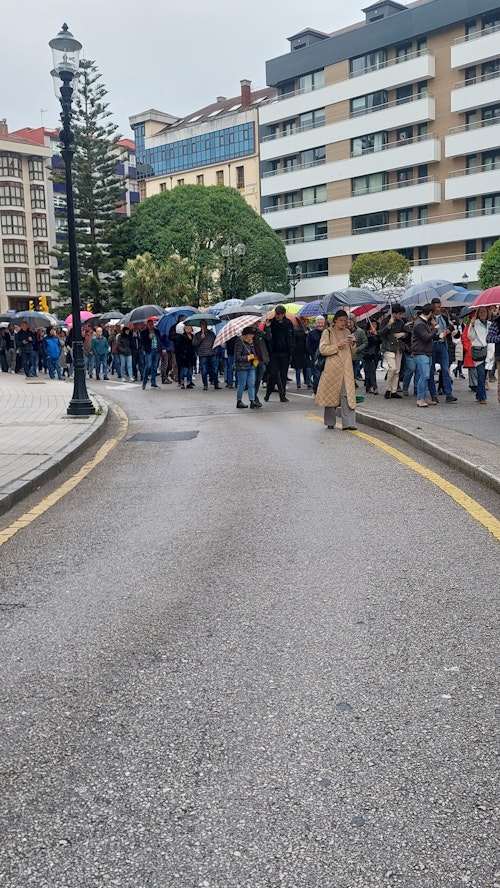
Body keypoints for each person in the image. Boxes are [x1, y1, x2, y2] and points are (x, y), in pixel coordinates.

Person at [315, 309, 357, 429]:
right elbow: (323, 350)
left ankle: (349, 423)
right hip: (332, 367)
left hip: (346, 368)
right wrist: (337, 345)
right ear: (335, 320)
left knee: (347, 394)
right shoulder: (327, 332)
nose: (343, 323)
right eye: (341, 320)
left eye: (345, 320)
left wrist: (353, 344)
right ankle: (329, 422)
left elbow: (353, 352)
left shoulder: (348, 331)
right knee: (331, 394)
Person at [411, 304, 440, 407]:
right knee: (425, 375)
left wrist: (438, 335)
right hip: (420, 352)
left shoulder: (424, 323)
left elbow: (430, 337)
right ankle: (420, 398)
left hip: (426, 351)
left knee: (426, 375)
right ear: (430, 313)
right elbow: (426, 337)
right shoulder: (419, 323)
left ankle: (423, 396)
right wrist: (435, 329)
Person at [428, 298, 457, 403]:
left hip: (443, 345)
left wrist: (449, 332)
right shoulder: (428, 319)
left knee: (445, 370)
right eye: (435, 307)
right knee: (431, 371)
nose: (437, 309)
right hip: (432, 345)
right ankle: (433, 394)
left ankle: (449, 394)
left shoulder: (444, 318)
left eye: (439, 307)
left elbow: (451, 330)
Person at [264, 305, 294, 402]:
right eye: (277, 315)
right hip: (274, 352)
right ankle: (268, 393)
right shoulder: (272, 323)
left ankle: (282, 395)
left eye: (279, 315)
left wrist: (291, 352)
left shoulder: (288, 324)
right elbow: (268, 338)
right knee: (272, 374)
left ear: (283, 314)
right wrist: (267, 327)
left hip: (285, 353)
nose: (277, 317)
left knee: (283, 375)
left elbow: (291, 338)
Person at [380, 305, 406, 399]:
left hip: (398, 347)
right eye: (399, 314)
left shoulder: (401, 322)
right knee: (392, 368)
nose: (400, 316)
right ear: (394, 313)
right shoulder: (385, 320)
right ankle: (388, 389)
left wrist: (402, 334)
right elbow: (381, 334)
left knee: (397, 370)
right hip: (388, 347)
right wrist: (388, 325)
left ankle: (394, 390)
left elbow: (406, 332)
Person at [468, 306, 491, 404]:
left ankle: (478, 393)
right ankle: (483, 397)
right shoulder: (475, 323)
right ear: (478, 313)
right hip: (478, 351)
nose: (483, 314)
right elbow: (471, 337)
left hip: (488, 351)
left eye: (484, 312)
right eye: (481, 312)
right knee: (481, 375)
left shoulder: (490, 324)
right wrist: (472, 325)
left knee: (484, 374)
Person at [234, 327, 260, 409]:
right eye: (251, 334)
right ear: (246, 334)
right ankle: (239, 401)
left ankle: (252, 400)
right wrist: (248, 357)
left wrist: (255, 356)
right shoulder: (239, 342)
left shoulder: (250, 342)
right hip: (242, 367)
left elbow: (254, 352)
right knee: (242, 385)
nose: (252, 336)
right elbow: (237, 357)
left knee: (251, 384)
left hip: (251, 366)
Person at [193, 320, 220, 390]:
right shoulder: (197, 335)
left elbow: (215, 342)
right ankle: (205, 385)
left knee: (214, 369)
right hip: (203, 354)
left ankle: (216, 383)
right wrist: (200, 339)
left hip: (212, 353)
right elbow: (194, 344)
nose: (203, 326)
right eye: (202, 325)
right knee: (204, 371)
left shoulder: (211, 334)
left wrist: (215, 351)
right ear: (200, 326)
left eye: (204, 324)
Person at [140, 318, 162, 389]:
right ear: (147, 325)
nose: (151, 326)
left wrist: (160, 348)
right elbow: (142, 342)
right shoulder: (144, 332)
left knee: (154, 367)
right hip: (149, 351)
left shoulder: (157, 331)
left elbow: (159, 340)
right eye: (149, 324)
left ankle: (153, 383)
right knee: (148, 366)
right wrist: (148, 338)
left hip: (156, 350)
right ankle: (144, 381)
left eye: (152, 324)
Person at [306, 316, 326, 394]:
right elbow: (308, 345)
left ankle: (323, 391)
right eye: (318, 323)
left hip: (325, 356)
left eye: (322, 323)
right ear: (315, 323)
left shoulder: (327, 332)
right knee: (316, 375)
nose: (320, 324)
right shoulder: (311, 333)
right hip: (315, 357)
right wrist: (312, 355)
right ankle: (316, 391)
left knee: (324, 375)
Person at [290, 319, 311, 389]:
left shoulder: (304, 329)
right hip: (298, 351)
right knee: (300, 368)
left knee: (305, 368)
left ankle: (306, 382)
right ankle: (302, 382)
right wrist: (305, 333)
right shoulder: (297, 329)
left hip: (303, 351)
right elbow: (299, 336)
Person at [363, 319, 381, 395]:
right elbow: (366, 342)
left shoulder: (378, 333)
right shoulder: (365, 333)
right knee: (370, 370)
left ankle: (368, 386)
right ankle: (374, 387)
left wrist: (376, 335)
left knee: (372, 370)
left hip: (376, 353)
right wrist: (371, 334)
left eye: (375, 324)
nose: (373, 326)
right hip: (368, 354)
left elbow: (380, 341)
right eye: (372, 324)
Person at [177, 324, 196, 388]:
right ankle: (182, 381)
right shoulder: (182, 337)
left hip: (191, 355)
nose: (188, 329)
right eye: (187, 328)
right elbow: (178, 346)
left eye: (190, 328)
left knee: (190, 370)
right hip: (184, 355)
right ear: (184, 329)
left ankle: (189, 382)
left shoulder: (193, 336)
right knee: (184, 370)